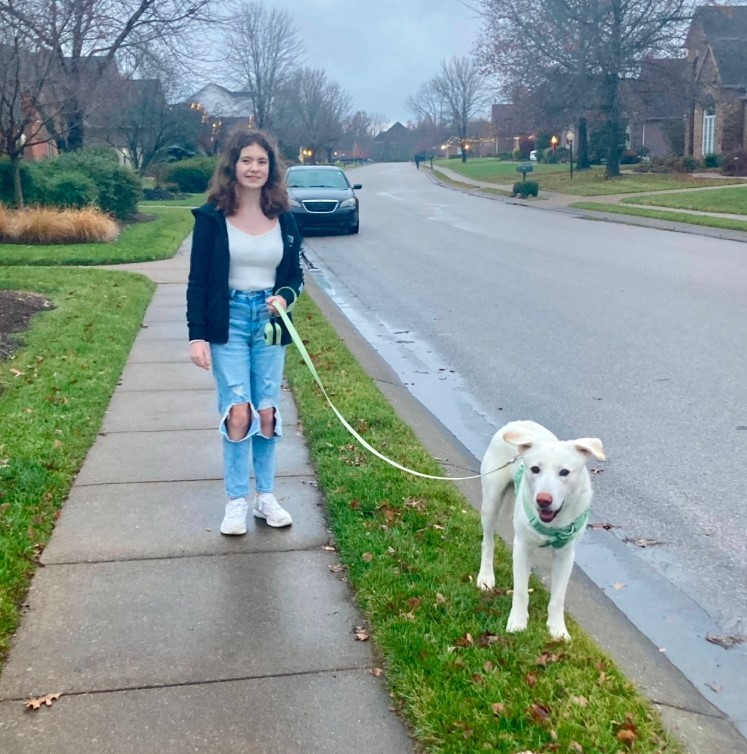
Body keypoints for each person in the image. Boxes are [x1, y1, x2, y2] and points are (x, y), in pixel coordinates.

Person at [187, 128, 304, 535]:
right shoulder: (211, 218)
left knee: (267, 410)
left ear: (270, 168)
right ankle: (236, 500)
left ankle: (265, 498)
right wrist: (196, 335)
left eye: (261, 161)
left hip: (270, 322)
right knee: (238, 411)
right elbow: (198, 280)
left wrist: (284, 298)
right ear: (232, 166)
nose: (254, 168)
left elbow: (294, 275)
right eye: (246, 160)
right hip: (228, 319)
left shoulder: (284, 217)